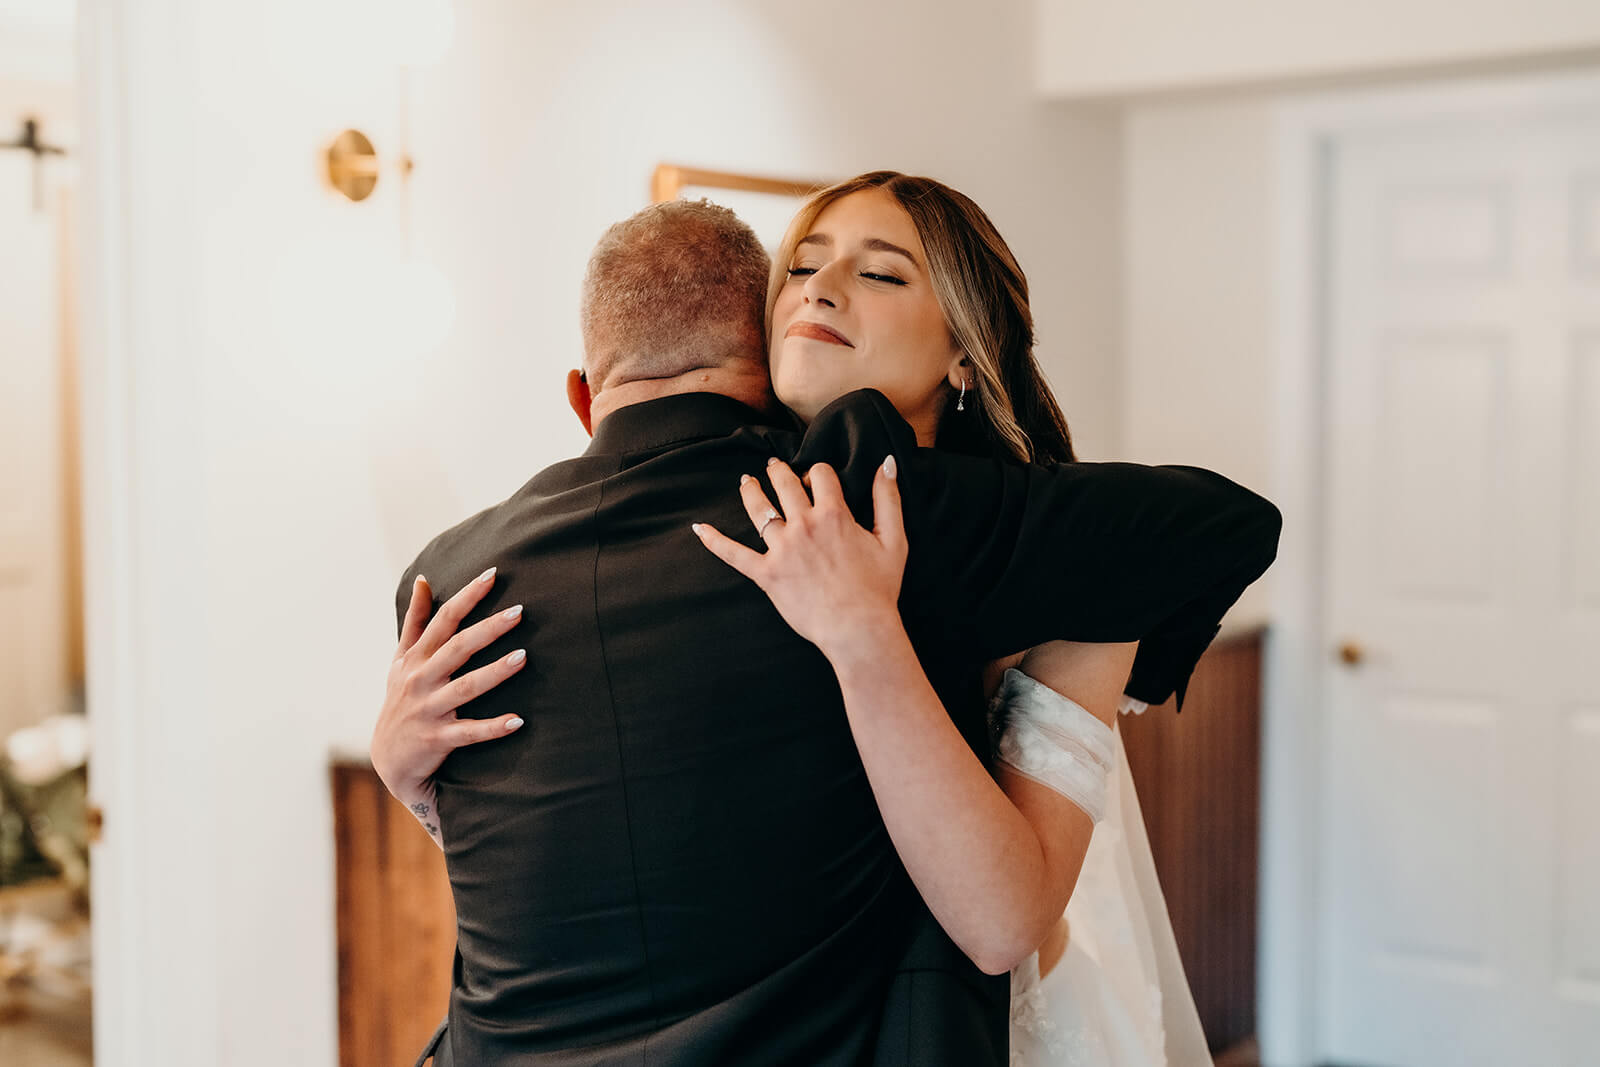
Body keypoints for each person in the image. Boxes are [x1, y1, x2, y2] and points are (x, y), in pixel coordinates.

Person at [373, 180, 1278, 1065]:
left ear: (966, 349)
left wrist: (865, 633)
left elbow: (1225, 525)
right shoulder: (802, 505)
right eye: (800, 267)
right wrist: (412, 781)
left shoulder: (453, 573)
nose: (820, 288)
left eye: (882, 274)